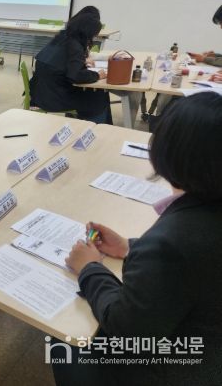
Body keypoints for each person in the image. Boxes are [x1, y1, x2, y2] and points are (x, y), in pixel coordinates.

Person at [57, 92, 222, 386]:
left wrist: (89, 268)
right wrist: (129, 247)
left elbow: (126, 330)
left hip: (179, 367)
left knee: (64, 340)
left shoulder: (172, 243)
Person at [29, 13, 110, 123]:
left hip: (39, 93)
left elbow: (61, 64)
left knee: (94, 94)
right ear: (87, 32)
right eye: (93, 35)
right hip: (53, 98)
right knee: (99, 96)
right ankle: (97, 128)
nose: (93, 38)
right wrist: (97, 75)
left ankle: (81, 123)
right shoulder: (75, 45)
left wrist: (81, 64)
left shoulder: (62, 38)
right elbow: (75, 76)